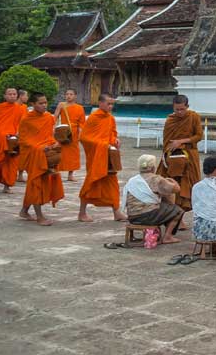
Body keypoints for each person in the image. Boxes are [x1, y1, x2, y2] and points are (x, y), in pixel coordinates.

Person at [16, 92, 64, 225]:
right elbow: (24, 140)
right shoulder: (26, 119)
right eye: (40, 103)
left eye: (45, 103)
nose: (44, 105)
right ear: (33, 104)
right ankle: (39, 217)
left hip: (46, 155)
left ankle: (24, 211)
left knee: (36, 184)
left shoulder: (49, 117)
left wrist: (54, 143)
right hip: (33, 156)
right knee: (35, 183)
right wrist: (39, 148)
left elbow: (49, 136)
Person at [79, 93, 128, 222]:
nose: (110, 106)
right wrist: (103, 145)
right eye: (108, 104)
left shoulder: (110, 119)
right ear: (100, 103)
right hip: (96, 156)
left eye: (112, 104)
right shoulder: (94, 118)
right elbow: (84, 138)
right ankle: (81, 213)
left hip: (108, 157)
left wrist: (115, 140)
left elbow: (111, 134)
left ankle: (116, 211)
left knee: (112, 184)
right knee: (91, 182)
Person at [155, 95, 202, 226]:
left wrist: (181, 141)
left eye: (182, 109)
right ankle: (174, 218)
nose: (179, 112)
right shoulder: (170, 120)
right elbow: (166, 142)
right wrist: (170, 151)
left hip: (190, 157)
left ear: (187, 106)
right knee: (172, 186)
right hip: (173, 158)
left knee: (187, 188)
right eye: (177, 109)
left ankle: (179, 218)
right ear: (173, 107)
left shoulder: (193, 117)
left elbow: (198, 136)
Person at [122, 154, 184, 244]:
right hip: (148, 216)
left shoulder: (133, 180)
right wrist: (172, 181)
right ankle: (168, 237)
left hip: (132, 217)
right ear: (153, 167)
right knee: (178, 211)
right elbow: (176, 189)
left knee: (163, 205)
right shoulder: (156, 179)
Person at [0, 87, 26, 194]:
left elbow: (22, 124)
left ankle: (7, 186)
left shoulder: (20, 109)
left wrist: (17, 134)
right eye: (9, 94)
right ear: (5, 96)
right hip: (0, 139)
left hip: (13, 139)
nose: (12, 96)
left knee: (11, 163)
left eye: (14, 94)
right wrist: (3, 135)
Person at [54, 89, 85, 182]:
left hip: (73, 133)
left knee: (73, 154)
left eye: (71, 94)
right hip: (63, 132)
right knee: (59, 151)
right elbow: (55, 117)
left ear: (75, 96)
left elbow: (82, 123)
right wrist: (54, 129)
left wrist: (80, 134)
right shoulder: (61, 105)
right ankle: (56, 172)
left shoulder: (79, 108)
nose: (68, 96)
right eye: (67, 94)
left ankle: (70, 174)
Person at [16, 89, 29, 182]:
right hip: (14, 133)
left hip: (24, 133)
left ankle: (20, 174)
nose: (27, 97)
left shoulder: (25, 107)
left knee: (23, 155)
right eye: (26, 95)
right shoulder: (14, 106)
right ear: (20, 96)